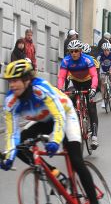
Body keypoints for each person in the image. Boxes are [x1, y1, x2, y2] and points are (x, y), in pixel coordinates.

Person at [0, 59, 99, 203]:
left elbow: (59, 116)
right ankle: (54, 173)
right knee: (19, 146)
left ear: (27, 79)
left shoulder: (41, 89)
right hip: (42, 120)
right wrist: (9, 156)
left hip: (64, 115)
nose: (12, 85)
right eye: (10, 81)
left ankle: (94, 201)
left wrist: (55, 140)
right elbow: (11, 133)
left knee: (76, 161)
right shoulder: (10, 101)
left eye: (15, 80)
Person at [57, 40, 99, 149]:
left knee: (91, 107)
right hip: (75, 82)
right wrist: (60, 89)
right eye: (71, 51)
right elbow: (61, 77)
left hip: (88, 82)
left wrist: (93, 88)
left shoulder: (87, 59)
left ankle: (94, 136)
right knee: (68, 103)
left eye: (76, 51)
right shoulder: (66, 61)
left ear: (80, 51)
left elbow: (94, 76)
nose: (74, 53)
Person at [98, 42, 111, 108]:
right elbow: (98, 65)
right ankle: (103, 101)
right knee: (103, 84)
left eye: (107, 50)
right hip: (103, 69)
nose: (106, 52)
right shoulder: (100, 56)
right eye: (105, 50)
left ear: (109, 50)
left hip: (110, 67)